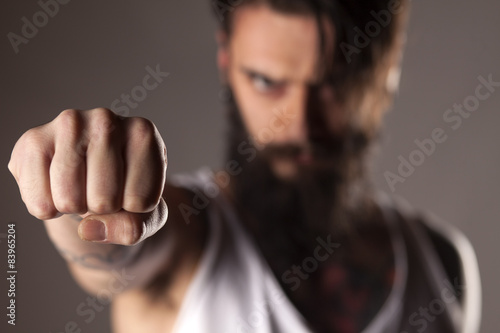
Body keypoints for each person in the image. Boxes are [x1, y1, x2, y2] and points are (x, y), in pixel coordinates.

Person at [7, 0, 481, 332]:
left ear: (388, 70)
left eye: (335, 84)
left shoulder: (442, 265)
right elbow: (116, 256)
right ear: (226, 61)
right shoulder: (186, 243)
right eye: (266, 81)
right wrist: (75, 196)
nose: (300, 123)